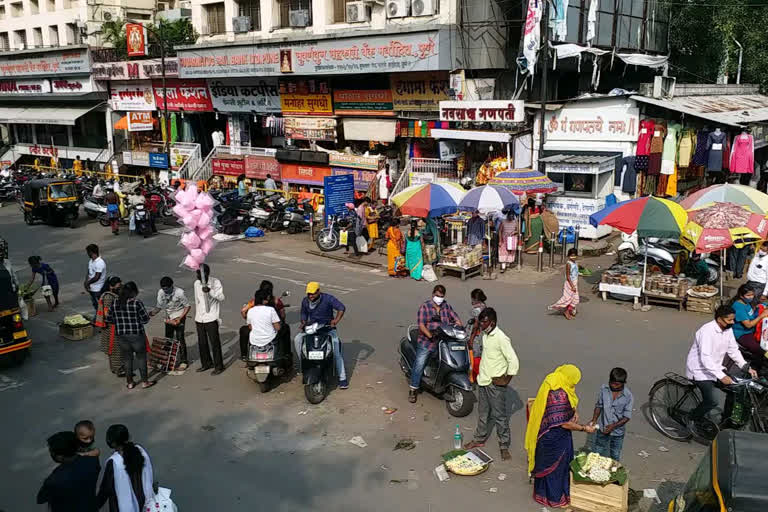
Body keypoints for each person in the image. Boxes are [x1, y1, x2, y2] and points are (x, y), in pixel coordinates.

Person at [525, 365, 595, 508]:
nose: (574, 385)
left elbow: (568, 407)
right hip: (554, 438)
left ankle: (543, 493)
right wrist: (584, 428)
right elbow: (564, 423)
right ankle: (554, 498)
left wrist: (574, 411)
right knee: (556, 468)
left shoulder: (556, 382)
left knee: (555, 466)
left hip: (549, 434)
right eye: (574, 382)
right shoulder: (559, 395)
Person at [685, 305, 758, 429]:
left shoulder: (727, 330)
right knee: (712, 401)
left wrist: (745, 366)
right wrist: (722, 376)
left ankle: (725, 422)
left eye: (733, 319)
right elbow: (705, 357)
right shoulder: (707, 331)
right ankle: (690, 418)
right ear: (719, 319)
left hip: (716, 368)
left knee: (735, 390)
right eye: (729, 320)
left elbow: (733, 350)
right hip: (699, 371)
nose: (733, 322)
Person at [463, 308, 519, 460]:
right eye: (480, 321)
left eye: (484, 322)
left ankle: (504, 445)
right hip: (483, 381)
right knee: (483, 413)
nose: (481, 324)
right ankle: (479, 439)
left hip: (495, 385)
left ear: (492, 322)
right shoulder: (485, 335)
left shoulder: (501, 338)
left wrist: (505, 380)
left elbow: (513, 361)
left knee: (499, 416)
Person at [411, 285, 462, 403]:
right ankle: (413, 389)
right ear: (433, 295)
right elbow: (421, 325)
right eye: (437, 296)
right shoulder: (425, 307)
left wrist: (460, 328)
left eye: (442, 296)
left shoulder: (446, 306)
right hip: (427, 342)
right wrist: (430, 335)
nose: (439, 298)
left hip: (444, 341)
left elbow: (456, 319)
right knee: (419, 364)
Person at [294, 282, 348, 388]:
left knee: (336, 349)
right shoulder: (305, 301)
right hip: (312, 328)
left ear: (319, 291)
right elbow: (303, 313)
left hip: (327, 328)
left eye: (313, 294)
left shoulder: (328, 299)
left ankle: (343, 378)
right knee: (297, 339)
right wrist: (303, 322)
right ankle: (304, 364)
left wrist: (335, 321)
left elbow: (341, 308)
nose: (310, 296)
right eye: (309, 294)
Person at [37, 431, 101, 512]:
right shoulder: (92, 461)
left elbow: (41, 499)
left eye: (51, 451)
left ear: (60, 457)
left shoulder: (55, 479)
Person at [107, 282, 154, 390]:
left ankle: (130, 383)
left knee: (127, 359)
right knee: (141, 358)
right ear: (133, 292)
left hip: (122, 336)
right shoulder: (136, 303)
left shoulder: (115, 303)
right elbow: (145, 320)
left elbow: (109, 319)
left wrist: (119, 321)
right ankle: (145, 382)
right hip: (136, 335)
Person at [96, 425, 154, 512]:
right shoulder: (140, 451)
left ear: (112, 443)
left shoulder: (114, 462)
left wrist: (94, 506)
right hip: (144, 503)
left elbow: (105, 489)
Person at [589, 368, 633, 461]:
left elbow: (627, 417)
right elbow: (599, 406)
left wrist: (613, 427)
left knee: (615, 454)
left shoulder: (628, 396)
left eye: (616, 384)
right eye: (611, 382)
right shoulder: (604, 389)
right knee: (598, 451)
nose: (613, 386)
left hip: (618, 432)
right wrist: (594, 420)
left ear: (623, 383)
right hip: (603, 428)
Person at [150, 277, 191, 372]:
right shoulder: (161, 293)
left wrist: (180, 318)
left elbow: (187, 306)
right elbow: (159, 307)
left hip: (180, 315)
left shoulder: (179, 292)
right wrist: (150, 314)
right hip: (169, 317)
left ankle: (184, 361)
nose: (165, 291)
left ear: (172, 286)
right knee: (168, 339)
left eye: (167, 289)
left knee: (180, 338)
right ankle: (168, 361)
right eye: (164, 289)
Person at [240, 280, 286, 360]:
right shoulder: (276, 301)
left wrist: (250, 319)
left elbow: (243, 311)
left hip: (256, 332)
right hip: (271, 331)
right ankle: (286, 354)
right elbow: (282, 315)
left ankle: (244, 355)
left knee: (243, 330)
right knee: (285, 329)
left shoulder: (253, 303)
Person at [194, 264, 226, 375]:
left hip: (211, 317)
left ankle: (219, 366)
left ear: (207, 273)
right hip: (200, 318)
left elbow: (221, 297)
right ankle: (206, 363)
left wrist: (210, 291)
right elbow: (197, 300)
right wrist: (197, 315)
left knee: (214, 343)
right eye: (197, 274)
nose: (198, 276)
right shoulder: (197, 283)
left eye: (200, 274)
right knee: (202, 343)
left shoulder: (215, 282)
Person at [731, 283, 768, 365]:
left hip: (751, 330)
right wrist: (761, 316)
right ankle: (754, 368)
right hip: (742, 334)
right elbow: (748, 325)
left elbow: (751, 314)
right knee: (760, 350)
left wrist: (760, 307)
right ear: (741, 295)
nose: (751, 297)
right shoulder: (738, 307)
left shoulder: (746, 303)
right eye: (748, 295)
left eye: (752, 295)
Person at [95, 276, 125, 377]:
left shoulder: (111, 295)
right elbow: (108, 314)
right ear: (111, 287)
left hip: (112, 326)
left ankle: (114, 368)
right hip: (112, 327)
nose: (120, 287)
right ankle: (118, 369)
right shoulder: (108, 297)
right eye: (118, 286)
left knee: (113, 349)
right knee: (116, 349)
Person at [549, 248, 580, 320]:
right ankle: (567, 311)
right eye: (572, 256)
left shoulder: (575, 263)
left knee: (574, 299)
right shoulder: (568, 264)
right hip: (570, 283)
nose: (573, 257)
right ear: (569, 256)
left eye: (575, 255)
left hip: (574, 282)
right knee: (569, 298)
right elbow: (568, 276)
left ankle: (569, 310)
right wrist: (572, 286)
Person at [468, 288, 488, 381]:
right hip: (484, 335)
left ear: (474, 299)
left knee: (475, 356)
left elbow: (475, 325)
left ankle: (475, 377)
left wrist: (471, 339)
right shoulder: (484, 306)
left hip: (478, 336)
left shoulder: (476, 309)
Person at [84, 244, 106, 310]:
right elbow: (89, 272)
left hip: (97, 289)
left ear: (91, 252)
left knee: (99, 307)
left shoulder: (100, 263)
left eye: (88, 252)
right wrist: (86, 281)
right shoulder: (91, 261)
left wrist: (88, 283)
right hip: (92, 288)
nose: (87, 254)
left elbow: (97, 277)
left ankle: (98, 319)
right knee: (95, 304)